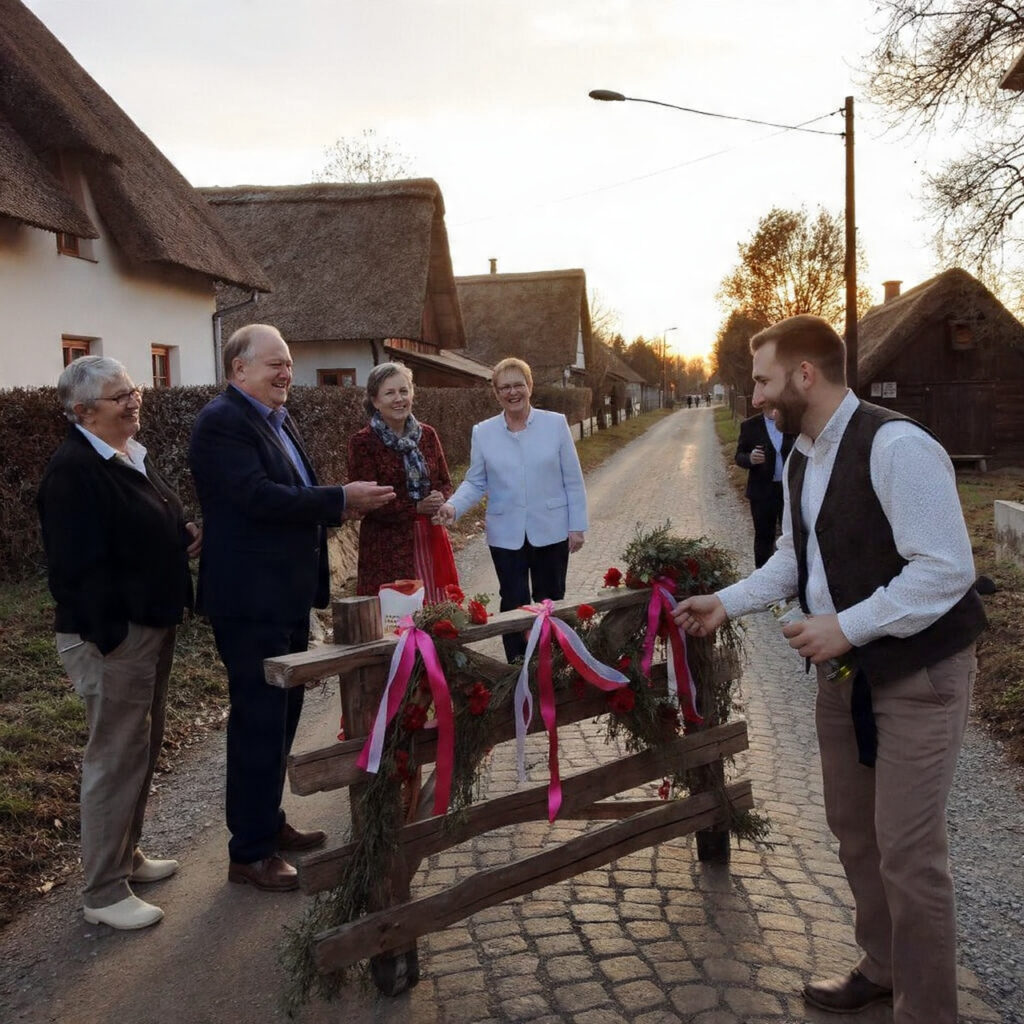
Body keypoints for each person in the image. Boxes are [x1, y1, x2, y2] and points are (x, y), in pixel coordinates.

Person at [673, 314, 985, 1023]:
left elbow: (947, 570)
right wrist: (725, 602)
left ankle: (928, 1011)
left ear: (804, 375)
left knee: (908, 853)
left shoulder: (898, 447)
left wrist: (846, 625)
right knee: (855, 833)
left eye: (761, 380)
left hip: (919, 676)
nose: (753, 397)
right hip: (844, 683)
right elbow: (793, 558)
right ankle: (882, 969)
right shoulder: (801, 456)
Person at [189, 324, 394, 892]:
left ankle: (268, 824)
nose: (286, 373)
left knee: (283, 720)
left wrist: (336, 501)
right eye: (274, 364)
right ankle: (248, 853)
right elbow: (256, 498)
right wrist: (339, 500)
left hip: (282, 597)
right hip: (249, 602)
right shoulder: (221, 422)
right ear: (238, 371)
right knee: (258, 721)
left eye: (288, 363)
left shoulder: (275, 419)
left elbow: (286, 493)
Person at [37, 356, 201, 931]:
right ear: (83, 412)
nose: (133, 400)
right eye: (118, 396)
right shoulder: (74, 471)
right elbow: (73, 572)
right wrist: (111, 640)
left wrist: (178, 535)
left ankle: (125, 858)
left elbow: (136, 530)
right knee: (113, 758)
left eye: (133, 389)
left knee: (141, 748)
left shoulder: (130, 454)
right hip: (116, 637)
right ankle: (103, 892)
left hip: (151, 624)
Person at [436, 357, 587, 661]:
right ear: (496, 393)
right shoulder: (484, 432)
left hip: (552, 528)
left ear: (530, 387)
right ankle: (517, 668)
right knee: (513, 601)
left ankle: (551, 665)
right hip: (506, 534)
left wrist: (577, 526)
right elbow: (476, 482)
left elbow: (573, 479)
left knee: (550, 600)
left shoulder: (555, 424)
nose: (512, 392)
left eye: (518, 384)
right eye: (505, 387)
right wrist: (453, 507)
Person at [347, 362, 456, 602]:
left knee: (436, 611)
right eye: (390, 393)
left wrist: (440, 497)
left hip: (430, 538)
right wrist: (415, 507)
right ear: (375, 401)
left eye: (404, 391)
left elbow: (445, 482)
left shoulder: (427, 435)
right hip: (387, 547)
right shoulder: (363, 442)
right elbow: (365, 502)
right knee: (396, 618)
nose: (399, 399)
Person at [734, 409, 796, 567]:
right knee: (764, 537)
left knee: (792, 536)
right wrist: (750, 458)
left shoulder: (792, 422)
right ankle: (762, 576)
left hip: (790, 490)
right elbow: (739, 456)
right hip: (761, 491)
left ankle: (793, 576)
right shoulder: (749, 425)